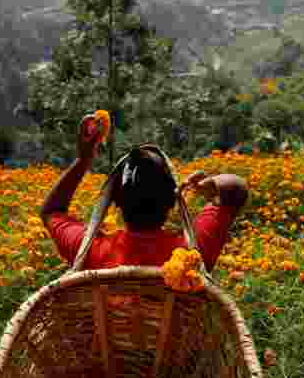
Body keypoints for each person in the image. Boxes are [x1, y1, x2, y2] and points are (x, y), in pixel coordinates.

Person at [41, 114, 248, 271]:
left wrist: (83, 160)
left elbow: (51, 211)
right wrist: (205, 187)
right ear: (172, 200)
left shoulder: (91, 250)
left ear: (116, 201)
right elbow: (237, 188)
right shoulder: (191, 253)